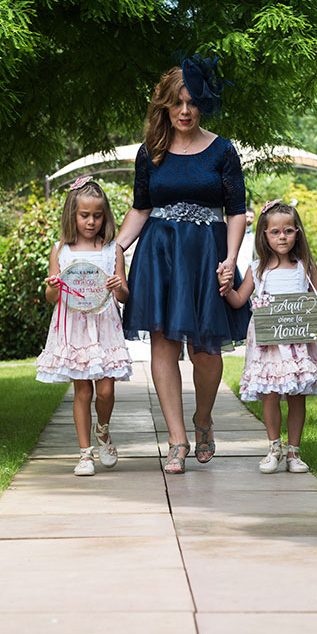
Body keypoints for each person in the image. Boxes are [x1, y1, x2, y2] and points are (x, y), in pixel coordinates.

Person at [117, 56, 250, 474]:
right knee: (163, 344)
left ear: (202, 105)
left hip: (208, 255)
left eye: (192, 102)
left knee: (207, 350)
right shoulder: (150, 154)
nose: (185, 110)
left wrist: (230, 259)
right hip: (159, 254)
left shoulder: (223, 150)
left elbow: (237, 212)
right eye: (177, 103)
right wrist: (114, 249)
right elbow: (141, 209)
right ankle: (177, 440)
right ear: (165, 107)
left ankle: (203, 419)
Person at [222, 200, 317, 473]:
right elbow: (238, 301)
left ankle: (294, 452)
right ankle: (274, 448)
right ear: (264, 234)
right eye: (275, 232)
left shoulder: (304, 267)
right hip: (268, 346)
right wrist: (226, 289)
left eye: (288, 231)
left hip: (299, 344)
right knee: (270, 394)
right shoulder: (257, 270)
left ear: (297, 233)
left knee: (298, 396)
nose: (282, 237)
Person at [36, 177, 132, 476]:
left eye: (97, 215)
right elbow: (52, 296)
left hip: (104, 325)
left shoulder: (111, 250)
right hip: (74, 327)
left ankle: (102, 430)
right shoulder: (61, 251)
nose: (91, 222)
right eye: (84, 215)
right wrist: (54, 285)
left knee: (105, 390)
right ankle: (85, 453)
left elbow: (124, 294)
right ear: (72, 215)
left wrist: (118, 286)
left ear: (105, 216)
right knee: (83, 392)